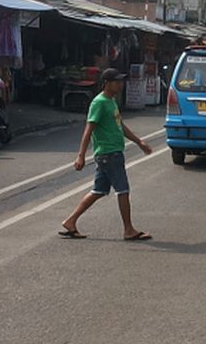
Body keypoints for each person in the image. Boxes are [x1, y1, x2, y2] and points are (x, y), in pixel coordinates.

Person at [59, 68, 154, 241]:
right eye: (117, 81)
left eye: (120, 81)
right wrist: (81, 155)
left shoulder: (111, 101)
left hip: (112, 153)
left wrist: (139, 142)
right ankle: (129, 230)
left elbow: (120, 125)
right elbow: (88, 130)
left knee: (98, 190)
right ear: (107, 83)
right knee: (123, 190)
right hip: (108, 154)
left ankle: (70, 221)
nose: (120, 84)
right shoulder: (99, 102)